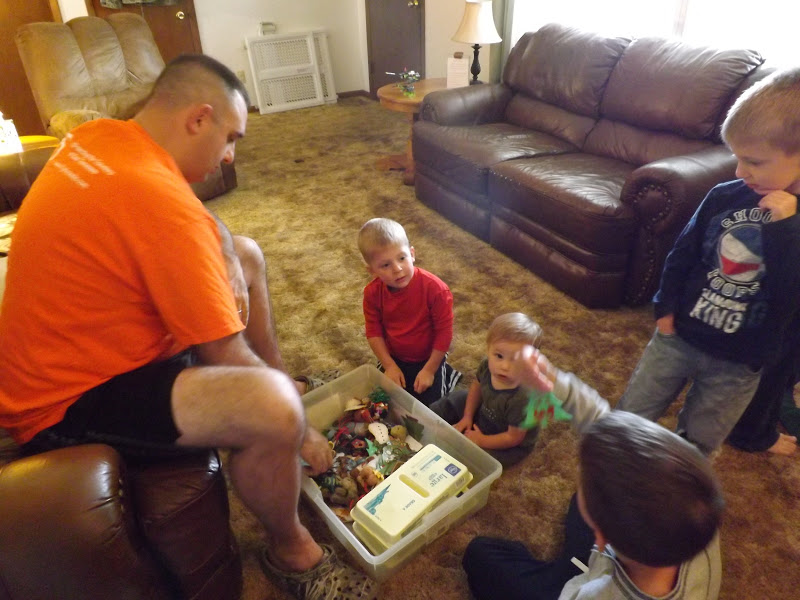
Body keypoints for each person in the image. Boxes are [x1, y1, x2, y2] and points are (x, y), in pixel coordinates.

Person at [0, 54, 376, 600]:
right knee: (272, 407)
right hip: (63, 404)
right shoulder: (161, 203)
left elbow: (192, 222)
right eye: (231, 137)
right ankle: (292, 552)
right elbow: (225, 354)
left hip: (83, 345)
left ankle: (288, 381)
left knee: (245, 254)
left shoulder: (98, 137)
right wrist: (301, 429)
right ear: (198, 118)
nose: (229, 155)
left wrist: (219, 242)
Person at [616, 67, 800, 456]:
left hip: (739, 363)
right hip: (678, 336)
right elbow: (683, 253)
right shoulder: (723, 196)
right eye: (736, 158)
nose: (739, 172)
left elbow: (790, 295)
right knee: (631, 416)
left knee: (698, 444)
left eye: (753, 162)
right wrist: (665, 306)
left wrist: (785, 230)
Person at [463, 347, 724, 600]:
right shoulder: (694, 503)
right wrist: (553, 381)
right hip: (611, 564)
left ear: (600, 539)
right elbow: (608, 431)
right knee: (596, 485)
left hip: (578, 585)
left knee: (480, 555)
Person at [358, 217, 461, 404]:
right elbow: (374, 332)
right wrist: (389, 366)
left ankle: (445, 374)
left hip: (428, 358)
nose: (397, 269)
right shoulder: (372, 293)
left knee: (432, 408)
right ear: (372, 270)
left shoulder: (436, 290)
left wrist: (429, 370)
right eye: (385, 265)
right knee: (380, 401)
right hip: (394, 356)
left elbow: (444, 333)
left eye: (402, 258)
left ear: (412, 254)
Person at [429, 312, 543, 467]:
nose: (505, 366)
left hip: (507, 437)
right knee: (458, 397)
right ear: (488, 349)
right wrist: (467, 416)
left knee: (477, 458)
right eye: (499, 356)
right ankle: (425, 419)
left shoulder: (523, 398)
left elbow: (513, 438)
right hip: (485, 412)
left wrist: (481, 440)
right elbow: (476, 387)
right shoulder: (487, 365)